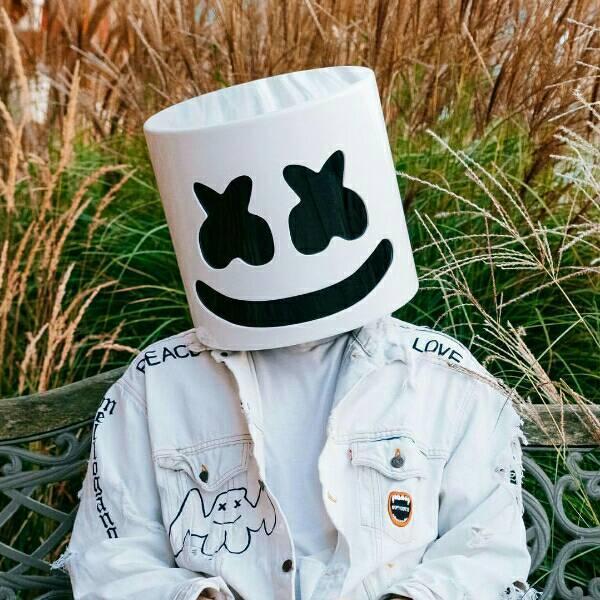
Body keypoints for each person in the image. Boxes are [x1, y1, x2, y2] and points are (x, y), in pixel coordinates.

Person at [61, 67, 534, 600]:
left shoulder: (443, 375)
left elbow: (487, 547)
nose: (291, 255)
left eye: (319, 222)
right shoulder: (157, 384)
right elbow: (108, 554)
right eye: (243, 237)